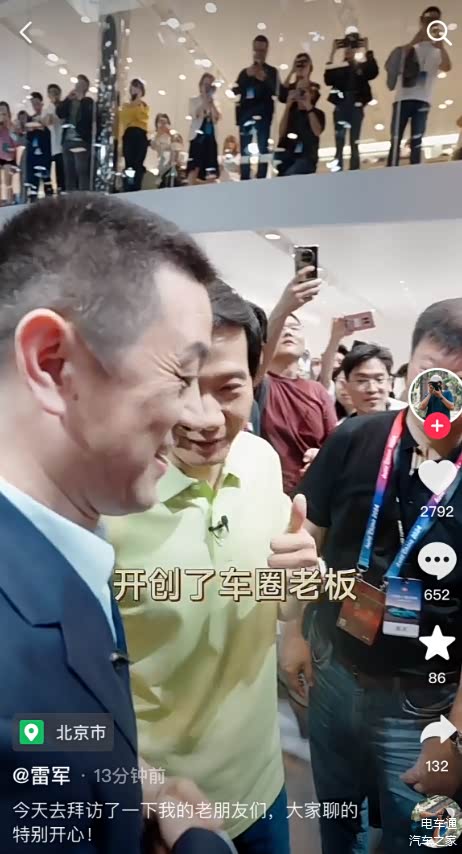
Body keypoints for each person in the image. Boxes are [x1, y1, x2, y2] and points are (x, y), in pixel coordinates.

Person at [0, 192, 237, 854]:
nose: (199, 417)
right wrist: (200, 842)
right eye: (183, 376)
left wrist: (126, 780)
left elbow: (40, 731)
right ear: (53, 364)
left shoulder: (66, 542)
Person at [105, 280, 318, 854]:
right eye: (180, 387)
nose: (204, 417)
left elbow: (277, 599)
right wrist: (142, 787)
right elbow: (45, 714)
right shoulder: (107, 503)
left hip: (262, 787)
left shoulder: (261, 460)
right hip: (157, 812)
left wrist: (299, 588)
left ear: (256, 379)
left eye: (228, 388)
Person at [283, 297, 462, 852]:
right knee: (338, 819)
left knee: (421, 836)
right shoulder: (356, 437)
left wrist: (454, 735)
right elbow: (309, 535)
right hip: (334, 671)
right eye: (433, 375)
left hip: (425, 702)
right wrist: (292, 631)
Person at [255, 274, 337, 494]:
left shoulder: (316, 390)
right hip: (269, 491)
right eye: (282, 328)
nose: (288, 332)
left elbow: (333, 443)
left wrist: (319, 457)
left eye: (294, 327)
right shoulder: (259, 384)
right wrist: (283, 308)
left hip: (313, 491)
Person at [387, 6, 451, 167]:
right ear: (421, 20)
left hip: (422, 99)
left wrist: (441, 45)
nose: (431, 23)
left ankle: (415, 170)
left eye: (435, 20)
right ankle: (391, 169)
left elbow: (447, 66)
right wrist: (416, 39)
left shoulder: (438, 50)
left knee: (417, 139)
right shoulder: (410, 48)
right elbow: (396, 59)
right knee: (395, 138)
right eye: (428, 19)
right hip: (402, 98)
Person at [324, 39, 379, 171]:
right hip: (343, 104)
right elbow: (328, 79)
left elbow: (373, 72)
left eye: (351, 48)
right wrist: (332, 53)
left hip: (354, 104)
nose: (348, 51)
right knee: (340, 141)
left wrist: (367, 50)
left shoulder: (360, 67)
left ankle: (353, 169)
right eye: (347, 49)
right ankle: (339, 168)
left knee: (354, 140)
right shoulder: (340, 68)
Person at [234, 35, 280, 180]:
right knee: (245, 149)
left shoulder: (271, 72)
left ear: (266, 51)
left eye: (262, 50)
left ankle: (261, 178)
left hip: (264, 116)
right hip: (246, 117)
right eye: (256, 50)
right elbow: (235, 90)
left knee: (263, 147)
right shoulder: (245, 72)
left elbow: (278, 92)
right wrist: (246, 76)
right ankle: (245, 177)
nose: (259, 53)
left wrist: (265, 78)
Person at [278, 56, 325, 177]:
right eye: (298, 91)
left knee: (292, 174)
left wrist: (308, 106)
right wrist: (288, 107)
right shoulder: (291, 113)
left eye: (304, 91)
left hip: (306, 158)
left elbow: (317, 131)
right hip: (287, 158)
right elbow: (281, 132)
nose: (301, 94)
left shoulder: (317, 113)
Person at [342, 342, 407, 415]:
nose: (372, 389)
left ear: (390, 384)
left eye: (379, 380)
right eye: (362, 381)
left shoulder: (409, 418)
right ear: (346, 386)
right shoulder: (343, 423)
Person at [57, 74, 94, 191]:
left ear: (86, 87)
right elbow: (59, 113)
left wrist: (81, 99)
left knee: (82, 172)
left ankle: (83, 197)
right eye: (77, 83)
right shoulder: (70, 101)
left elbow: (89, 117)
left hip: (81, 141)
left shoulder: (88, 102)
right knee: (69, 173)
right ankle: (70, 197)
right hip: (67, 140)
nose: (78, 85)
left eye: (81, 83)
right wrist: (67, 98)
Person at [187, 73, 221, 184]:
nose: (207, 88)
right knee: (194, 166)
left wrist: (211, 102)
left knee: (210, 168)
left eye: (210, 85)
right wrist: (205, 100)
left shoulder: (215, 103)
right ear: (200, 85)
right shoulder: (193, 100)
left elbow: (217, 118)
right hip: (197, 137)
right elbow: (196, 114)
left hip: (210, 138)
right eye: (205, 85)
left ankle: (208, 186)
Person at [119, 78, 149, 192]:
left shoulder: (144, 106)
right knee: (129, 163)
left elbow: (142, 118)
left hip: (141, 135)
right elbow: (126, 119)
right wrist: (134, 106)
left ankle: (137, 186)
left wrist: (135, 107)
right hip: (129, 134)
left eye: (138, 87)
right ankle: (128, 186)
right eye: (134, 87)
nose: (135, 89)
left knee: (138, 163)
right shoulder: (126, 105)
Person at [25, 92, 52, 201]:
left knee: (46, 177)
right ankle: (33, 200)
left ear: (41, 103)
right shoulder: (30, 119)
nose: (35, 106)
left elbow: (49, 133)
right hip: (33, 153)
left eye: (37, 103)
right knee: (33, 179)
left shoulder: (46, 117)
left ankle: (49, 201)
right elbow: (28, 137)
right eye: (33, 104)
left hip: (44, 152)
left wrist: (42, 126)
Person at [42, 84, 65, 193]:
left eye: (56, 92)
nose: (54, 94)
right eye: (51, 92)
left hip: (61, 145)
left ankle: (62, 191)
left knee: (61, 172)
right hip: (50, 145)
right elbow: (47, 122)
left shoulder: (64, 107)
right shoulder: (47, 110)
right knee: (47, 172)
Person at [0, 101, 17, 205]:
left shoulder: (11, 125)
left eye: (4, 112)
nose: (2, 114)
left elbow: (16, 140)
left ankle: (10, 200)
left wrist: (9, 126)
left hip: (9, 156)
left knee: (8, 180)